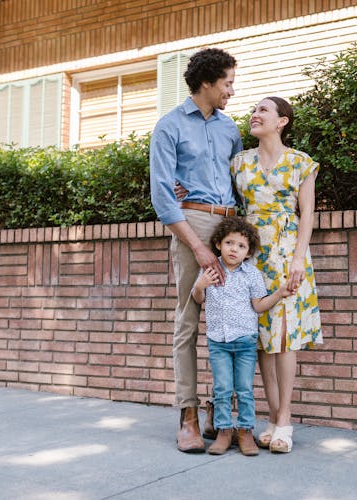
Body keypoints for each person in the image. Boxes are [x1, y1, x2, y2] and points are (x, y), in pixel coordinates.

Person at [149, 47, 242, 453]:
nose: (231, 91)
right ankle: (186, 413)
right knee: (188, 321)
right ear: (207, 82)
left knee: (234, 322)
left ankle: (221, 414)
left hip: (231, 224)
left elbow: (243, 179)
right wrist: (197, 246)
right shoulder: (169, 127)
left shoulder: (230, 129)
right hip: (193, 222)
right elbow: (162, 195)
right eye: (227, 83)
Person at [231, 96, 323, 453]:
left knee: (285, 337)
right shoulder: (239, 162)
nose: (255, 114)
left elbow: (308, 214)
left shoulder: (301, 162)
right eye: (253, 110)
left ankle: (285, 420)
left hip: (287, 254)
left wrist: (299, 258)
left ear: (282, 121)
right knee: (262, 340)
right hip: (252, 257)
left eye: (263, 110)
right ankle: (271, 418)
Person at [191, 217, 292, 456]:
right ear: (218, 244)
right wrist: (200, 285)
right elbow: (199, 299)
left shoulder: (252, 275)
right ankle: (224, 431)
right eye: (229, 243)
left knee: (245, 389)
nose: (234, 249)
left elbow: (258, 305)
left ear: (248, 252)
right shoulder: (209, 270)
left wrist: (279, 293)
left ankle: (246, 431)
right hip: (219, 342)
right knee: (223, 388)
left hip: (245, 341)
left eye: (241, 246)